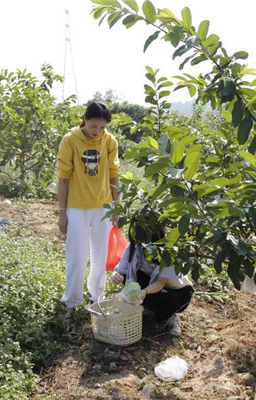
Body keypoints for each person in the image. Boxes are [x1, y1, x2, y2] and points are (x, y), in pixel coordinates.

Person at [57, 102, 120, 318]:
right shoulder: (70, 140)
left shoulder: (109, 141)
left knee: (100, 255)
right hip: (77, 207)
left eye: (102, 128)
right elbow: (63, 178)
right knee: (76, 255)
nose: (97, 132)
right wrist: (62, 212)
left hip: (103, 206)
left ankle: (97, 297)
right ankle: (71, 302)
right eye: (94, 126)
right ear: (85, 119)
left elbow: (114, 174)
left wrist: (116, 206)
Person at [111, 208, 194, 336]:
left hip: (177, 292)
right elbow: (121, 270)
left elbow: (160, 282)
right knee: (130, 277)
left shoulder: (167, 252)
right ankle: (147, 309)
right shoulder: (134, 247)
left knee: (165, 299)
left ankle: (170, 318)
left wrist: (144, 292)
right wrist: (115, 275)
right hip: (154, 286)